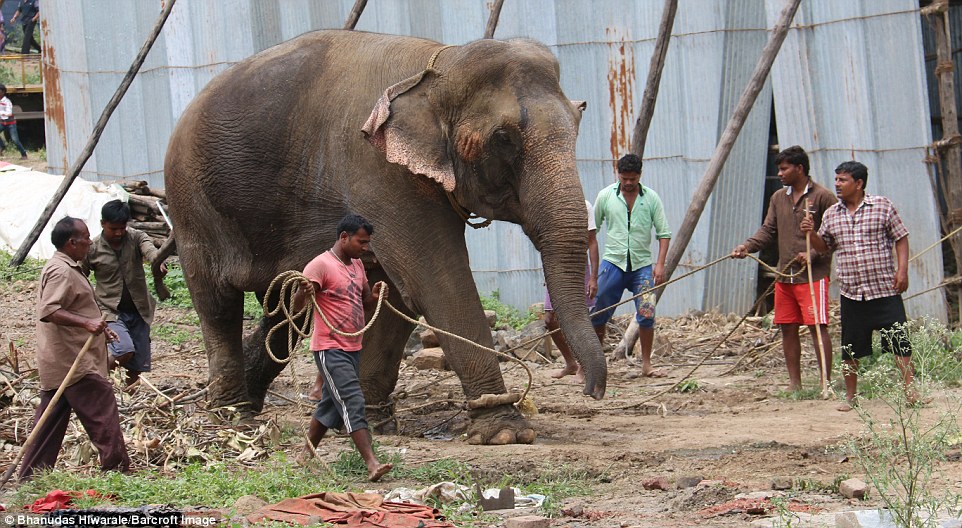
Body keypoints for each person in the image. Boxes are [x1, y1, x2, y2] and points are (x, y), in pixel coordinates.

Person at [19, 217, 130, 480]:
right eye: (86, 238)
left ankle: (31, 477)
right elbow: (50, 310)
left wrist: (100, 328)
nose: (90, 242)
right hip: (74, 363)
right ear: (72, 242)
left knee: (49, 422)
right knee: (103, 413)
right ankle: (117, 471)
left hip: (60, 361)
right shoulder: (62, 271)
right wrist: (87, 322)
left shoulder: (65, 267)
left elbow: (73, 308)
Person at [801, 161, 915, 412]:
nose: (837, 185)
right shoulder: (832, 214)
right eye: (837, 179)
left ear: (859, 183)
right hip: (852, 292)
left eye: (842, 180)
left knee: (900, 343)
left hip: (885, 289)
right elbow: (824, 248)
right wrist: (812, 235)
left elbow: (901, 237)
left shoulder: (882, 206)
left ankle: (910, 391)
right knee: (850, 348)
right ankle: (851, 396)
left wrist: (902, 270)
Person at [293, 213, 392, 482]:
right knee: (352, 400)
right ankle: (371, 463)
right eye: (361, 242)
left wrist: (373, 296)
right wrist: (303, 291)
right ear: (344, 237)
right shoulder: (320, 266)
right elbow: (297, 306)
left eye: (367, 242)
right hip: (329, 347)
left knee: (330, 406)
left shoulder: (358, 266)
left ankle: (304, 455)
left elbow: (363, 302)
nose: (365, 247)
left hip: (352, 346)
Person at [732, 146, 836, 392]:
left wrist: (812, 254)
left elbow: (834, 238)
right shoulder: (778, 197)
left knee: (817, 327)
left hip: (814, 276)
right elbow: (768, 230)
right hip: (785, 275)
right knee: (787, 327)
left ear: (799, 169)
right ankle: (794, 384)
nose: (779, 173)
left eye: (784, 168)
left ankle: (826, 383)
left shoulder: (823, 197)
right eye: (779, 168)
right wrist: (747, 246)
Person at [592, 153, 672, 376]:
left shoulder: (651, 198)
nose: (628, 183)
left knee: (647, 314)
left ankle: (647, 364)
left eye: (632, 179)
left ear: (639, 176)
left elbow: (664, 233)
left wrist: (660, 264)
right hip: (613, 263)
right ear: (618, 174)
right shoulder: (606, 196)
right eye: (624, 178)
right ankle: (597, 365)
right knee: (600, 312)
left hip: (642, 266)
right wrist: (591, 270)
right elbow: (592, 230)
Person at [83, 200, 167, 388]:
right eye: (114, 229)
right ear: (102, 223)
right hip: (110, 311)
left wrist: (157, 262)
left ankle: (129, 401)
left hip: (139, 309)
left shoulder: (137, 238)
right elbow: (80, 276)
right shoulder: (92, 248)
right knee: (124, 350)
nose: (119, 233)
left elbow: (151, 251)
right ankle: (90, 383)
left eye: (123, 228)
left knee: (137, 364)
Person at [546, 199, 600, 383]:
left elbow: (592, 241)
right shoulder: (549, 205)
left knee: (582, 318)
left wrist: (593, 277)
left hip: (577, 263)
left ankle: (586, 366)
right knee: (550, 319)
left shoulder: (584, 206)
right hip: (555, 266)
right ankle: (571, 363)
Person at [0, 84, 28, 159]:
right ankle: (2, 146)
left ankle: (24, 154)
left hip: (10, 124)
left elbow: (9, 113)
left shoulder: (7, 102)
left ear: (2, 92)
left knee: (15, 140)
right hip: (2, 123)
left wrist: (1, 113)